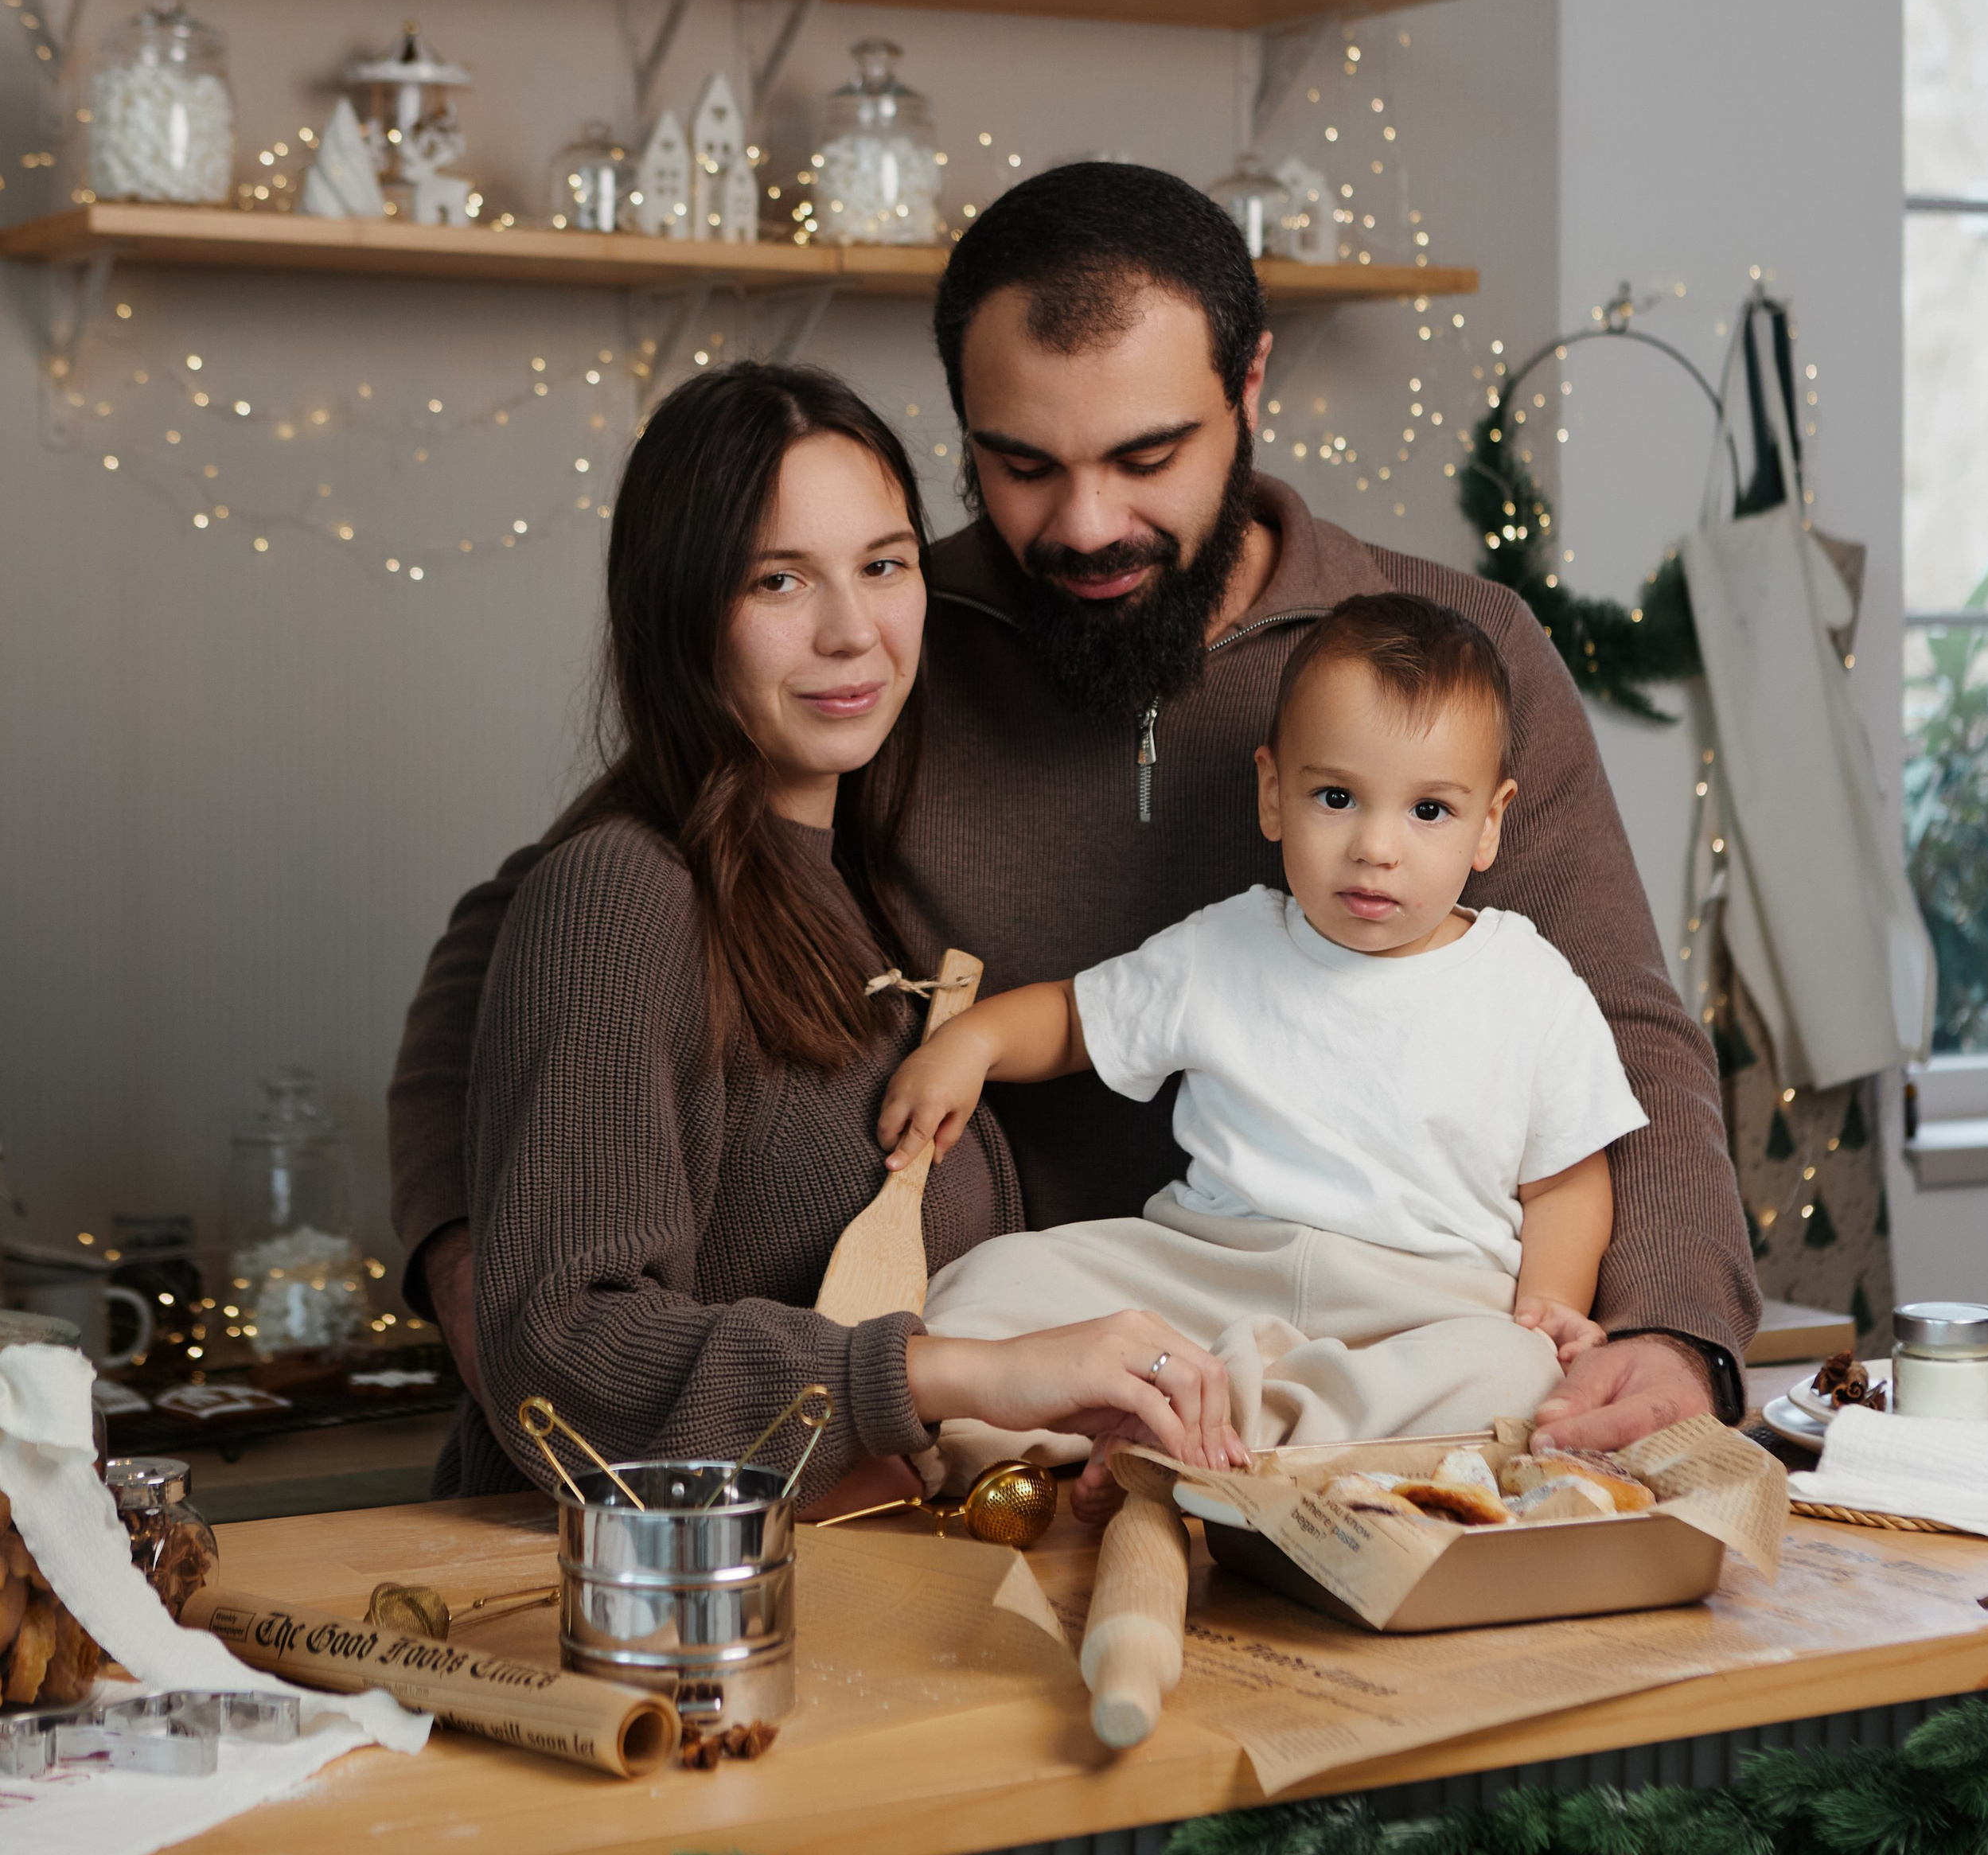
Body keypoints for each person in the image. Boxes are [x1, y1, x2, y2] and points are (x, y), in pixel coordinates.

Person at [391, 166, 1759, 1458]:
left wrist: (1673, 1327)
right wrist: (492, 1282)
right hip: (1038, 1376)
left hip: (1386, 1333)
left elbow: (1626, 1033)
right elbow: (549, 921)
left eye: (1147, 454)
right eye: (1023, 465)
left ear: (1251, 386)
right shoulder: (882, 639)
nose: (1087, 523)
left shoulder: (1458, 653)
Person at [443, 359, 1238, 1499]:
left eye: (884, 566)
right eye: (778, 581)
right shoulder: (619, 893)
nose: (852, 631)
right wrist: (957, 1374)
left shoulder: (864, 887)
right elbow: (562, 1347)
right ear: (679, 612)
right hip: (669, 1620)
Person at [883, 591, 1650, 1491]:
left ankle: (1232, 1429)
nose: (1376, 847)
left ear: (1490, 822)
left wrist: (1549, 1303)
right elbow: (1075, 1018)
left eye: (1429, 812)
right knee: (991, 1284)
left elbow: (1564, 1176)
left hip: (1414, 1306)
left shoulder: (1528, 984)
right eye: (1336, 797)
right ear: (1272, 794)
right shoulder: (1226, 946)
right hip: (1205, 1271)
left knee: (1513, 1373)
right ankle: (1115, 1421)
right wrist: (969, 1044)